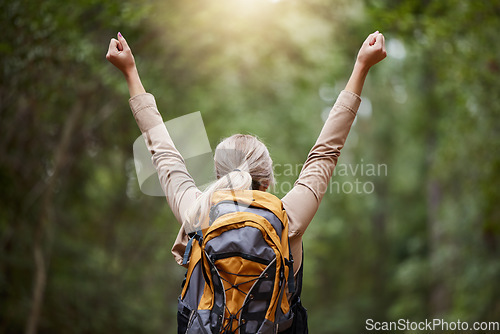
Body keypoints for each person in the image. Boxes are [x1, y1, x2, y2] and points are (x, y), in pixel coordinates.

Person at [106, 30, 386, 331]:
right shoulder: (287, 219)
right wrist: (361, 67)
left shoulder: (197, 212)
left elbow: (163, 154)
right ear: (266, 181)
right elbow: (325, 153)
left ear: (219, 176)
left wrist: (131, 72)